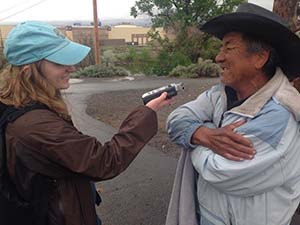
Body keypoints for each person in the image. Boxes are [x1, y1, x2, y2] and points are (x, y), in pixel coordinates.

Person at [0, 21, 172, 225]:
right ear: (29, 71)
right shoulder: (36, 126)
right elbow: (104, 161)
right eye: (59, 63)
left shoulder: (19, 104)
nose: (72, 68)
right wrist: (147, 112)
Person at [166, 3, 300, 225]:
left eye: (228, 48)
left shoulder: (278, 115)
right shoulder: (219, 95)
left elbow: (220, 171)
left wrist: (200, 133)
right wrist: (202, 134)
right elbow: (175, 121)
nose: (218, 57)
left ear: (260, 58)